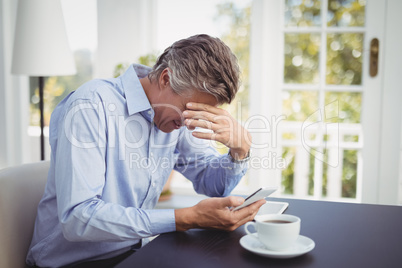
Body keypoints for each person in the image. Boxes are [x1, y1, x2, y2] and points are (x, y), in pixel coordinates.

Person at [26, 34, 266, 267]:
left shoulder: (175, 116)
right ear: (165, 79)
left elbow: (213, 184)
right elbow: (78, 219)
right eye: (190, 109)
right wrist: (185, 218)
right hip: (73, 262)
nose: (192, 121)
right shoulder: (91, 105)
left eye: (203, 114)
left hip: (131, 254)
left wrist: (240, 150)